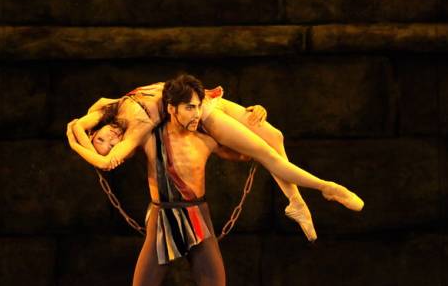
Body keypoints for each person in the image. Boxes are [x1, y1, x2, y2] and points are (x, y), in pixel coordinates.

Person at [91, 75, 251, 286]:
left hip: (197, 219)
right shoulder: (151, 136)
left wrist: (254, 121)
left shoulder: (205, 137)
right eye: (188, 107)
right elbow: (111, 138)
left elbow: (244, 152)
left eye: (198, 106)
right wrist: (87, 137)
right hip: (163, 219)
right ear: (171, 108)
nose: (195, 113)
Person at [67, 77, 365, 242]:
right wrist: (78, 145)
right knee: (267, 154)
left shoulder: (109, 109)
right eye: (110, 145)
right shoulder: (136, 129)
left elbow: (80, 122)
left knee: (275, 136)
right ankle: (325, 187)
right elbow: (105, 162)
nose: (110, 140)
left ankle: (295, 202)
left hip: (204, 98)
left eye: (101, 139)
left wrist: (77, 132)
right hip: (202, 113)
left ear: (96, 130)